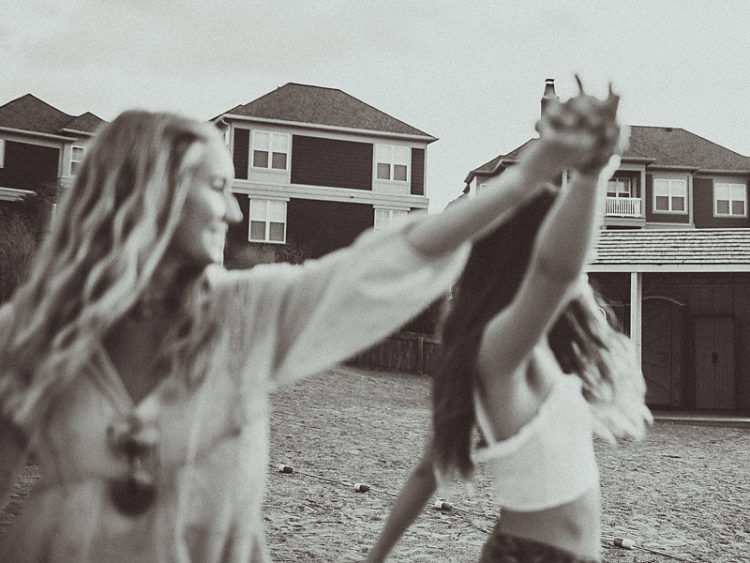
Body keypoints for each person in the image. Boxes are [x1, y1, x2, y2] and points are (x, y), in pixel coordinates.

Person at [0, 99, 590, 562]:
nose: (234, 214)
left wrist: (523, 180)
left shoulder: (248, 313)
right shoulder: (29, 335)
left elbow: (381, 263)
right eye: (218, 188)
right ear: (151, 194)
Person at [366, 82, 652, 562]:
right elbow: (556, 271)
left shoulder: (514, 351)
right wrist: (589, 176)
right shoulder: (499, 350)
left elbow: (427, 470)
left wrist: (374, 558)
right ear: (523, 254)